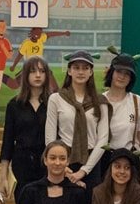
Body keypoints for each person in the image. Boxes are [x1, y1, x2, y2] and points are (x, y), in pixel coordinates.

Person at [45, 50, 109, 191]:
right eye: (76, 67)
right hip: (63, 161)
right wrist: (63, 166)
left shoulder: (100, 102)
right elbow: (50, 137)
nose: (81, 72)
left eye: (85, 68)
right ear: (69, 71)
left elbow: (103, 139)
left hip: (91, 161)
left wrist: (84, 170)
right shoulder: (56, 99)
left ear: (91, 72)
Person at [0, 55, 53, 200]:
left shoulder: (54, 102)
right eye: (33, 71)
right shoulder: (14, 105)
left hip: (47, 164)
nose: (38, 75)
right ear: (25, 75)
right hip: (22, 164)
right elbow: (7, 142)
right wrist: (3, 176)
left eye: (42, 71)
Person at [101, 49, 140, 176]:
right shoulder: (99, 101)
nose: (122, 77)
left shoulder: (139, 102)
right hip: (104, 160)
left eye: (127, 74)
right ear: (111, 72)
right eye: (119, 71)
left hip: (130, 160)